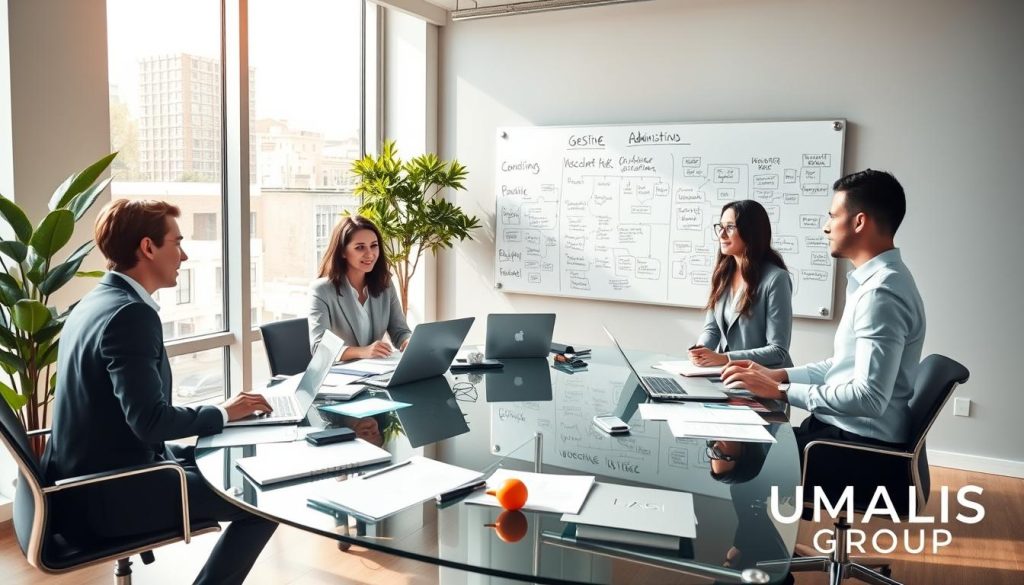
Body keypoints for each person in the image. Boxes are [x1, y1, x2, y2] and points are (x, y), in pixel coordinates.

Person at [41, 199, 277, 585]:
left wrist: (221, 415)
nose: (183, 255)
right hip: (110, 495)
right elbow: (150, 422)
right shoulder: (131, 315)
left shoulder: (95, 301)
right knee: (261, 499)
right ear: (148, 247)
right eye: (177, 243)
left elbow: (133, 412)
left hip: (84, 481)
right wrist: (223, 412)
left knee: (232, 459)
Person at [721, 169, 926, 456]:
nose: (826, 227)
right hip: (837, 431)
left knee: (745, 457)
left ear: (859, 222)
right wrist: (778, 375)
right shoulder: (876, 282)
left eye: (832, 216)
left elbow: (868, 399)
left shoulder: (881, 294)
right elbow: (842, 366)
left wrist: (778, 391)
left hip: (856, 446)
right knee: (745, 443)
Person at [690, 200, 794, 368]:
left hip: (766, 380)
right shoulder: (723, 274)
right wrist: (701, 350)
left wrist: (725, 359)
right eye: (720, 226)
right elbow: (712, 329)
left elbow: (778, 350)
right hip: (729, 377)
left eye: (730, 227)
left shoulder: (776, 279)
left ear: (751, 231)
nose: (721, 234)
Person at [308, 215, 412, 360]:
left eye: (374, 246)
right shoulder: (321, 291)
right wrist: (363, 352)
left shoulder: (385, 284)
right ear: (343, 252)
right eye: (360, 247)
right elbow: (319, 347)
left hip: (375, 372)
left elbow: (399, 331)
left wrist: (408, 342)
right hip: (340, 376)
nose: (370, 254)